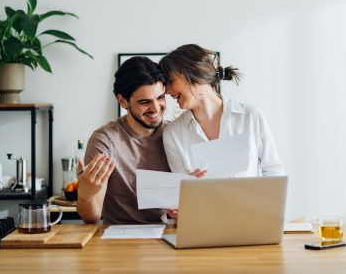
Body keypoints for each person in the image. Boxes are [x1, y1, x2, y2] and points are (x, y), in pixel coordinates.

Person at [159, 44, 285, 178]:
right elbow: (180, 189)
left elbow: (273, 170)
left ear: (194, 72)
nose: (167, 91)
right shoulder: (173, 134)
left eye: (171, 81)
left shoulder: (251, 116)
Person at [77, 56, 171, 224]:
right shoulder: (105, 140)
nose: (156, 108)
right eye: (144, 102)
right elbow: (91, 217)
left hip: (162, 236)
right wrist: (86, 197)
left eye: (160, 98)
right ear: (122, 101)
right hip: (116, 238)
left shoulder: (174, 134)